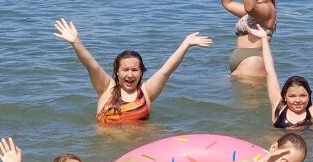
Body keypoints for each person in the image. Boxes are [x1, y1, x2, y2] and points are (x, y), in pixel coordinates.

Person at [53, 18, 212, 123]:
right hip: (107, 147)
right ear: (117, 72)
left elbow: (166, 71)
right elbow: (92, 65)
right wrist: (76, 42)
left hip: (140, 147)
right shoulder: (106, 88)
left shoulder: (146, 92)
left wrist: (186, 44)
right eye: (125, 70)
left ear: (141, 72)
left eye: (135, 70)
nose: (130, 74)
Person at [246, 24, 313, 128]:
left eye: (303, 95)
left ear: (309, 96)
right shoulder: (279, 109)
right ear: (284, 97)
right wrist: (264, 39)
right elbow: (270, 70)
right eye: (292, 96)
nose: (298, 100)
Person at [219, 0, 277, 79]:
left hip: (253, 60)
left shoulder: (268, 9)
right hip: (242, 59)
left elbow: (250, 8)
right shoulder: (253, 12)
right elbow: (227, 3)